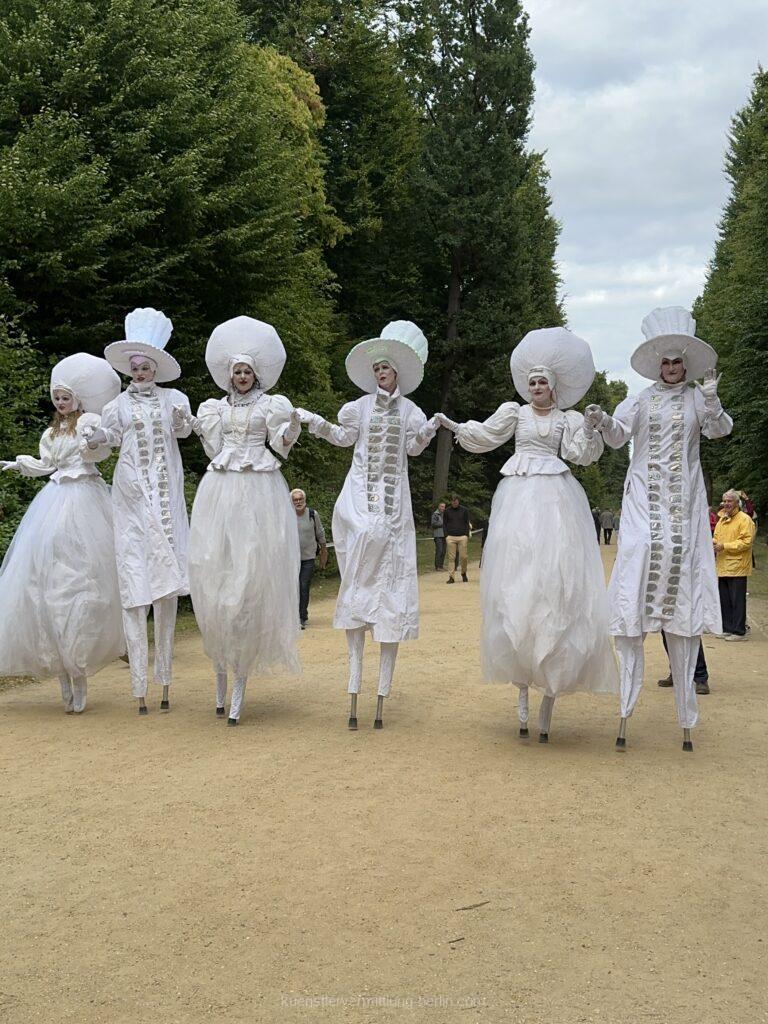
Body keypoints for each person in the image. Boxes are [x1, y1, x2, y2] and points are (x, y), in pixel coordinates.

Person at [437, 327, 618, 742]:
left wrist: (590, 428)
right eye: (532, 382)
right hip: (517, 494)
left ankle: (549, 699)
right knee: (515, 586)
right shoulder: (514, 414)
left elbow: (580, 455)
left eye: (543, 383)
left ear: (553, 388)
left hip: (555, 497)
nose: (536, 388)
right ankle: (521, 690)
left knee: (554, 586)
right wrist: (455, 426)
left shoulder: (566, 420)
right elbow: (485, 436)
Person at [584, 306, 733, 751]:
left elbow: (720, 430)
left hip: (683, 504)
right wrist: (600, 419)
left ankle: (688, 703)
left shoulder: (695, 398)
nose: (671, 369)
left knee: (681, 580)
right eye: (665, 362)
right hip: (643, 500)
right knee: (639, 556)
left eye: (677, 362)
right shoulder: (639, 399)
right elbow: (616, 435)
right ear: (657, 365)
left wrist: (711, 398)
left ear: (686, 365)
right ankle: (627, 700)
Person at [297, 320, 436, 730]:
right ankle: (355, 674)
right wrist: (315, 422)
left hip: (394, 506)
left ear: (397, 373)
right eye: (376, 368)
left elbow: (412, 447)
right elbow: (344, 438)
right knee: (358, 575)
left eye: (386, 369)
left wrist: (427, 432)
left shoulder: (410, 409)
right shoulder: (358, 407)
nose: (380, 374)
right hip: (360, 498)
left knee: (390, 581)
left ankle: (383, 685)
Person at [188, 316, 302, 724]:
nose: (240, 376)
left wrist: (290, 429)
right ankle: (220, 671)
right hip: (221, 488)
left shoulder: (270, 405)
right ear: (228, 374)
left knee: (250, 576)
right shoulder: (214, 407)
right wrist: (197, 427)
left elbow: (281, 443)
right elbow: (213, 445)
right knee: (215, 574)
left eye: (247, 371)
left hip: (258, 487)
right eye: (236, 370)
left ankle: (239, 679)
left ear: (256, 374)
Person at [0, 354, 124, 713]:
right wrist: (20, 463)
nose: (60, 401)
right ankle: (62, 678)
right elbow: (47, 464)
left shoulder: (89, 421)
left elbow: (99, 453)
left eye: (65, 396)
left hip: (85, 497)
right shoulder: (52, 431)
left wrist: (91, 440)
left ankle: (80, 672)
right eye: (56, 396)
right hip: (54, 499)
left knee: (83, 581)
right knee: (47, 584)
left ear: (78, 398)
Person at [85, 307, 193, 716]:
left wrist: (183, 418)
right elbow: (108, 440)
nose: (141, 372)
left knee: (166, 594)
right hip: (131, 498)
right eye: (135, 367)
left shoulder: (173, 399)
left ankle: (164, 680)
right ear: (129, 369)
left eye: (147, 366)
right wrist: (95, 435)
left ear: (156, 368)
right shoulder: (117, 405)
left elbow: (184, 430)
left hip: (166, 499)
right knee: (135, 588)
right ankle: (138, 686)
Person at [713, 488, 756, 641]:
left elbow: (746, 542)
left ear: (737, 503)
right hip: (722, 565)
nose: (726, 504)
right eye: (724, 501)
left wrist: (724, 546)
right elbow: (716, 537)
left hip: (738, 566)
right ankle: (727, 628)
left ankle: (739, 631)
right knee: (724, 599)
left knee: (737, 600)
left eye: (729, 501)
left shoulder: (745, 519)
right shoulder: (722, 519)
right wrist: (712, 543)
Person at [291, 487, 328, 629]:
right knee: (293, 588)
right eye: (295, 500)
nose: (298, 502)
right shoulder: (287, 515)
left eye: (300, 499)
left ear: (305, 500)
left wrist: (324, 552)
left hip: (308, 558)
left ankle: (301, 616)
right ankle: (293, 615)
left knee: (303, 585)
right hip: (291, 560)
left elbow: (320, 534)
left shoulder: (312, 514)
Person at [443, 495, 471, 583]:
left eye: (456, 501)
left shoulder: (464, 510)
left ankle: (463, 572)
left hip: (462, 536)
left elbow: (467, 523)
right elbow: (444, 523)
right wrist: (446, 535)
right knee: (451, 558)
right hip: (450, 537)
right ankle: (451, 577)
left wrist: (466, 534)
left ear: (458, 501)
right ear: (451, 502)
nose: (454, 502)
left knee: (463, 557)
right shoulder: (447, 511)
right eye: (453, 501)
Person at [431, 501, 446, 570]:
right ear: (439, 507)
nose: (443, 508)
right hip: (438, 535)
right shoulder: (435, 514)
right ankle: (437, 566)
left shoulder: (444, 514)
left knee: (443, 551)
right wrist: (442, 524)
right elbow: (433, 524)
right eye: (442, 506)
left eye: (444, 507)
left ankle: (441, 565)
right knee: (439, 550)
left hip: (444, 535)